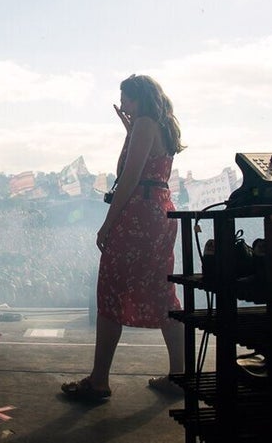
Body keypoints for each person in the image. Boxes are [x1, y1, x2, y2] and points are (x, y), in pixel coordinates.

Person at [62, 74, 186, 400]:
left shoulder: (145, 124)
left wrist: (107, 223)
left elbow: (130, 178)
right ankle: (180, 376)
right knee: (163, 293)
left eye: (126, 97)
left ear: (139, 98)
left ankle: (99, 380)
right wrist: (129, 131)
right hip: (157, 212)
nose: (123, 103)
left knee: (111, 290)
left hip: (139, 215)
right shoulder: (156, 125)